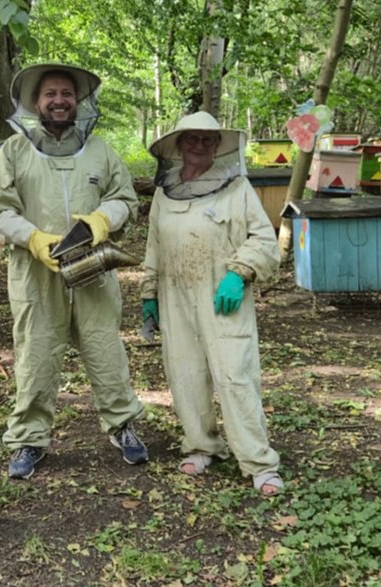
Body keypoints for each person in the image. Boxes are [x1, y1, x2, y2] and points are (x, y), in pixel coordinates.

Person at [0, 63, 148, 480]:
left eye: (66, 94)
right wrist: (34, 238)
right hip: (35, 273)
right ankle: (29, 440)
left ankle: (123, 425)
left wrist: (102, 220)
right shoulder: (14, 152)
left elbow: (126, 199)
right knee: (35, 355)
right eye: (50, 93)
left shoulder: (101, 151)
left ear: (79, 101)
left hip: (94, 269)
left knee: (106, 349)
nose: (59, 100)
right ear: (36, 102)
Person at [139, 111, 285, 496]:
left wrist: (240, 272)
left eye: (208, 139)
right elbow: (154, 245)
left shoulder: (237, 189)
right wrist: (149, 293)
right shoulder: (163, 192)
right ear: (179, 144)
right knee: (185, 374)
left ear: (218, 145)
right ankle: (202, 445)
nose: (199, 145)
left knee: (235, 376)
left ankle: (259, 463)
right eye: (192, 139)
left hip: (223, 296)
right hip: (175, 296)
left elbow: (264, 240)